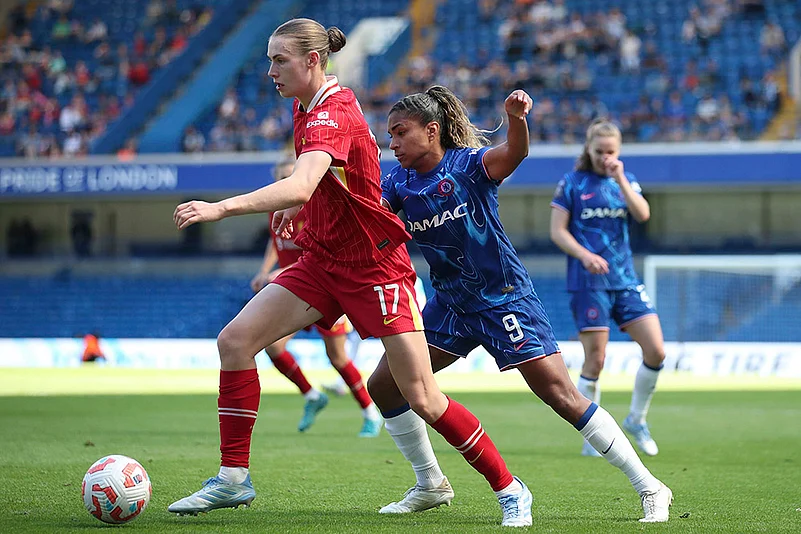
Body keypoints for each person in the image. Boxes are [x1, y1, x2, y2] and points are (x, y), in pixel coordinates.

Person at [167, 19, 532, 527]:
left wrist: (219, 209)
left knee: (422, 397)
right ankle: (232, 478)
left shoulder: (330, 113)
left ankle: (509, 488)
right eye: (269, 59)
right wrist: (309, 208)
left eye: (279, 60)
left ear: (312, 61)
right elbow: (329, 182)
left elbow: (300, 183)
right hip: (323, 260)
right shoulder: (307, 106)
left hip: (376, 269)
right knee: (235, 341)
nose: (269, 70)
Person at [368, 86, 672, 523]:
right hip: (451, 304)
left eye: (400, 133)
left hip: (504, 299)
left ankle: (651, 486)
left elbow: (515, 152)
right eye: (389, 135)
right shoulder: (396, 183)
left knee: (560, 394)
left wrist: (516, 117)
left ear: (431, 131)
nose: (392, 143)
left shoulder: (469, 166)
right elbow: (371, 219)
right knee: (384, 384)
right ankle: (429, 483)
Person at [549, 119, 666, 459]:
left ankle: (636, 419)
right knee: (595, 360)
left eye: (611, 152)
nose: (605, 157)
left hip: (625, 278)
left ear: (619, 152)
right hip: (588, 282)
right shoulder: (572, 183)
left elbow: (643, 214)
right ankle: (593, 434)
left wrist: (620, 178)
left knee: (656, 351)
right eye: (599, 151)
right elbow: (558, 231)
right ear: (588, 149)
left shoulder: (625, 181)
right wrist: (585, 256)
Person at [249, 155, 382, 437]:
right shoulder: (274, 208)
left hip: (323, 286)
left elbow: (318, 252)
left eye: (290, 176)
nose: (286, 182)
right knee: (272, 346)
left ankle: (370, 411)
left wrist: (282, 273)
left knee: (337, 358)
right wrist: (265, 270)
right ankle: (312, 396)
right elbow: (277, 241)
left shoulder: (312, 208)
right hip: (293, 289)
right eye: (281, 178)